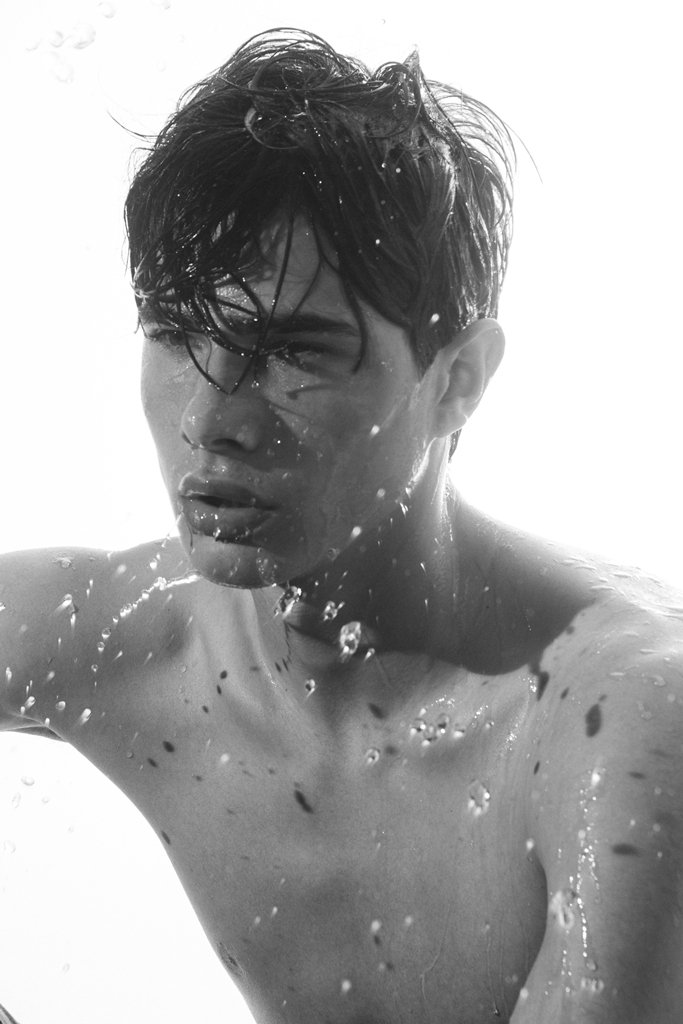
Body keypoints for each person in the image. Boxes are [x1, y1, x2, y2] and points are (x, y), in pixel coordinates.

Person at [2, 26, 683, 1024]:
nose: (211, 419)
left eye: (292, 350)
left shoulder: (619, 723)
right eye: (176, 333)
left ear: (457, 379)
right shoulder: (120, 637)